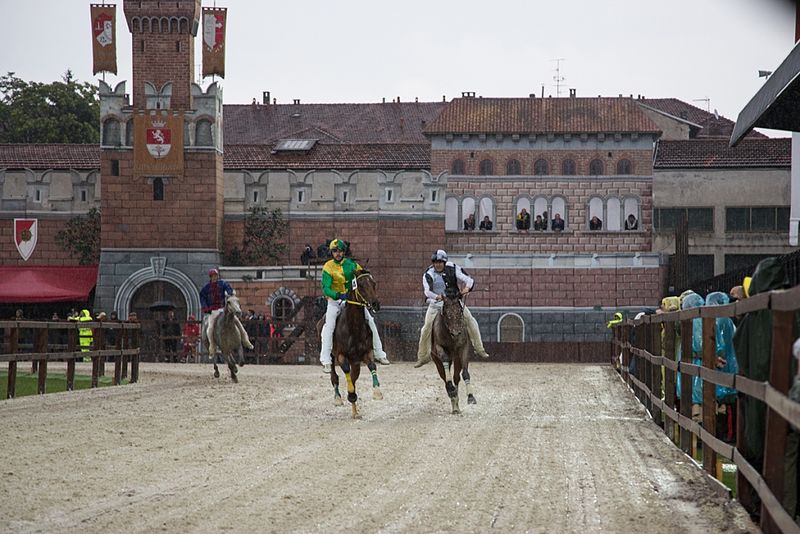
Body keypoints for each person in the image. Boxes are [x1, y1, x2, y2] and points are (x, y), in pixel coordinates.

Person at [319, 238, 390, 373]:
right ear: (331, 253)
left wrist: (365, 273)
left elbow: (363, 276)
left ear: (343, 252)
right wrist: (338, 295)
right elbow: (326, 288)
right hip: (335, 301)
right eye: (335, 251)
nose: (337, 253)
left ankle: (380, 353)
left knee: (370, 320)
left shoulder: (351, 264)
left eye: (340, 251)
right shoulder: (328, 267)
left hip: (352, 300)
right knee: (329, 325)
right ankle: (326, 360)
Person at [414, 249, 490, 368]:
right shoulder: (428, 274)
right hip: (436, 304)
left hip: (454, 303)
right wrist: (437, 296)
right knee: (426, 328)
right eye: (436, 262)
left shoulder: (453, 268)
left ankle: (479, 348)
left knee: (470, 320)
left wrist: (466, 289)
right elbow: (427, 291)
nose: (438, 264)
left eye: (440, 262)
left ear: (444, 262)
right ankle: (423, 356)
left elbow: (469, 280)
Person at [200, 268, 253, 355]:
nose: (215, 277)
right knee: (210, 327)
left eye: (216, 276)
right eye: (213, 276)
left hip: (222, 308)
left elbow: (228, 288)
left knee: (237, 322)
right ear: (210, 277)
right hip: (213, 311)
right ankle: (212, 346)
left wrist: (230, 293)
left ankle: (245, 339)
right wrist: (205, 308)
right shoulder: (206, 288)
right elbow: (202, 298)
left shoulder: (222, 283)